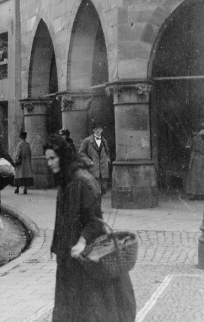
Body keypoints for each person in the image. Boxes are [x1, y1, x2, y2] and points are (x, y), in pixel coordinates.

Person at [43, 134, 135, 321]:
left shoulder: (82, 181)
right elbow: (62, 219)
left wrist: (81, 241)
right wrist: (57, 246)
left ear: (63, 156)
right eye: (47, 159)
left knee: (88, 306)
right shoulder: (66, 180)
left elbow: (95, 220)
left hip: (84, 257)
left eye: (53, 158)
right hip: (69, 257)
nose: (50, 163)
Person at [78, 121, 111, 196]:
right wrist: (89, 161)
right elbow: (81, 153)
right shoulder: (87, 141)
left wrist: (107, 161)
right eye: (96, 129)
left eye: (100, 129)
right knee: (94, 189)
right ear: (93, 130)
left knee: (103, 188)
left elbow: (107, 152)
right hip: (93, 168)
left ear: (102, 130)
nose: (98, 131)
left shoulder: (104, 141)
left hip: (103, 169)